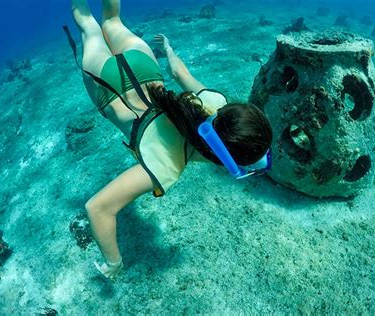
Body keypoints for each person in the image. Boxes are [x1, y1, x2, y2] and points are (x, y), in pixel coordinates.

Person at [70, 0, 273, 279]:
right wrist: (112, 263)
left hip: (144, 65)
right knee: (87, 24)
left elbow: (179, 73)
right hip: (107, 85)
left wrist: (168, 50)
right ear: (222, 160)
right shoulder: (165, 165)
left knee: (111, 21)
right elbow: (98, 208)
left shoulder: (216, 105)